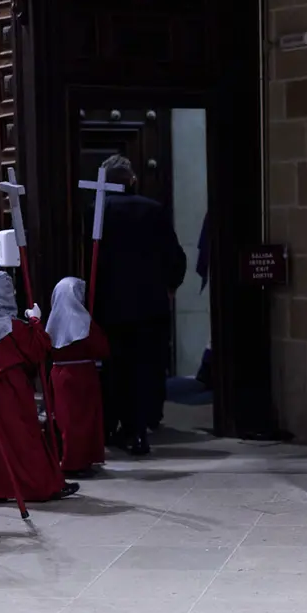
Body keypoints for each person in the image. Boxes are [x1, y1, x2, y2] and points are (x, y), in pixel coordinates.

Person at [95, 155, 187, 455]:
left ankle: (111, 426)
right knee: (146, 367)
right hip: (150, 306)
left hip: (110, 307)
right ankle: (140, 430)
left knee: (115, 369)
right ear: (132, 179)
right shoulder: (154, 210)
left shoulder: (97, 212)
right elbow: (175, 257)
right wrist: (170, 287)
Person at [0, 272, 79, 503]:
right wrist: (36, 322)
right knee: (24, 439)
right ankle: (42, 486)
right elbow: (38, 349)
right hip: (11, 388)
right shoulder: (12, 326)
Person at [46, 277, 110, 478]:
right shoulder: (84, 322)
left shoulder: (51, 322)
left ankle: (68, 458)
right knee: (81, 421)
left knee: (66, 421)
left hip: (59, 376)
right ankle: (76, 462)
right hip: (82, 376)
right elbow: (102, 348)